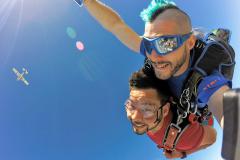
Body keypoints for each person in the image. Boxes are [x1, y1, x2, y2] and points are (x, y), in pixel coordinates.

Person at [76, 0, 232, 128]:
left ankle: (218, 36)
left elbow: (226, 107)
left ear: (190, 42)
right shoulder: (152, 51)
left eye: (166, 43)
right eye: (149, 44)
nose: (154, 56)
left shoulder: (206, 78)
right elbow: (116, 25)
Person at [126, 69, 216, 159]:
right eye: (131, 105)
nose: (134, 117)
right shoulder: (147, 123)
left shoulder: (185, 139)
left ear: (165, 110)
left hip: (203, 122)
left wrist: (183, 154)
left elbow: (212, 138)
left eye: (147, 109)